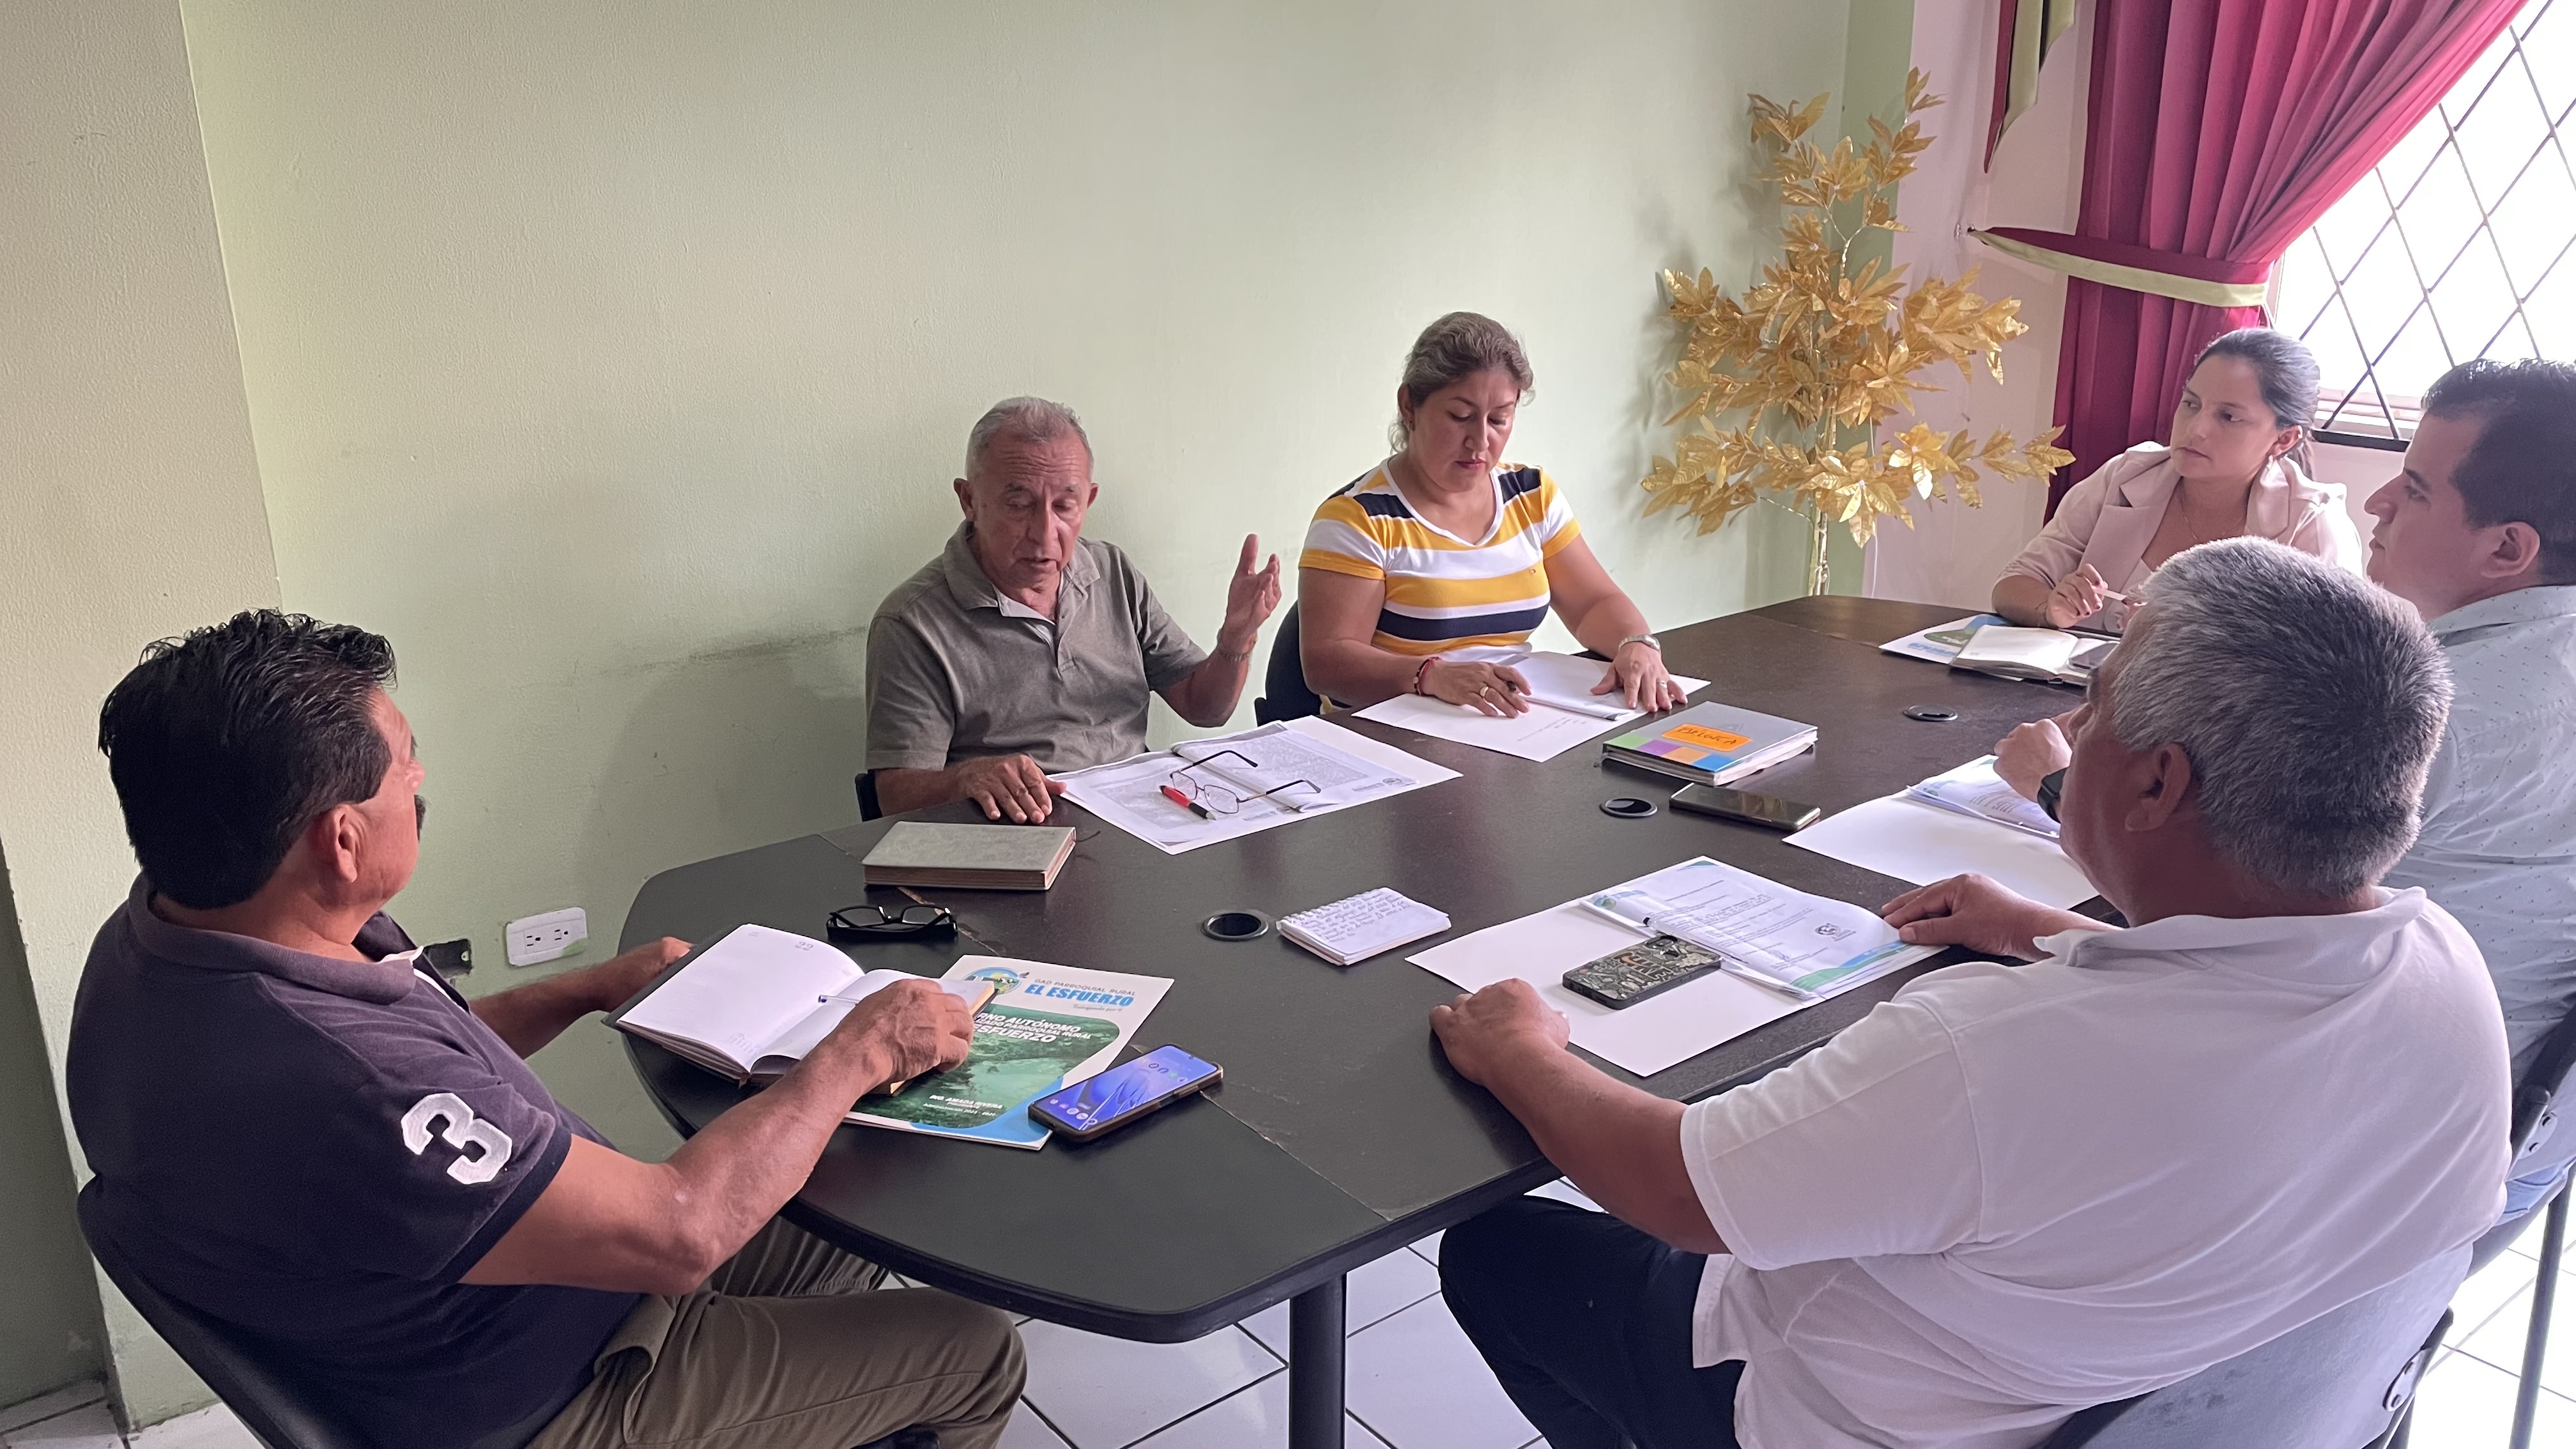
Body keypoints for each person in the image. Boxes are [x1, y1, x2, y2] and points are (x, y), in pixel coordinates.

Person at [1430, 539, 2508, 1449]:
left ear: (2156, 781)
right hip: (2214, 1398)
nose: (2074, 727)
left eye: (2094, 703)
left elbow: (1680, 1192)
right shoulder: (2447, 973)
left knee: (1498, 1251)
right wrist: (2046, 927)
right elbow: (2236, 999)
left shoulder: (1995, 1055)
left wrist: (1520, 1046)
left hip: (1838, 1416)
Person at [68, 612, 1025, 1449]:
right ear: (341, 841)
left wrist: (584, 988)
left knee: (855, 1173)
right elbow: (680, 1232)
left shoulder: (174, 929)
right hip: (558, 1392)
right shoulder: (342, 1080)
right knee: (976, 1351)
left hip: (497, 1293)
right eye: (404, 765)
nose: (420, 777)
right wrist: (860, 1046)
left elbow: (426, 1071)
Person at [1997, 358, 2576, 1222]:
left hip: (2376, 1163)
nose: (2377, 502)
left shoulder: (2429, 715)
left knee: (1979, 1087)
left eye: (2415, 490)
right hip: (2525, 1128)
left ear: (2507, 549)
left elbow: (2209, 928)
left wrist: (2054, 790)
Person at [866, 396, 1282, 824]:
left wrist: (1236, 639)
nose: (1045, 533)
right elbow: (894, 796)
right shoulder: (912, 622)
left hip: (1140, 818)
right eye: (1019, 505)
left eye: (1065, 506)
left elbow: (1205, 708)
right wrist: (965, 778)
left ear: (1089, 500)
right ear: (969, 500)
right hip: (1018, 829)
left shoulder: (1111, 571)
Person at [1299, 312, 1685, 717]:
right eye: (1460, 417)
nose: (1480, 441)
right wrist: (1429, 676)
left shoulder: (1531, 495)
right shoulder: (1356, 518)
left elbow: (1593, 603)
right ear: (1409, 405)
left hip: (1511, 722)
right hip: (1393, 732)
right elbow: (1328, 663)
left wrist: (1636, 643)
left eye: (1499, 419)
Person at [1992, 328, 2361, 631]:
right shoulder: (2127, 475)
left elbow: (2335, 663)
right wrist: (2050, 608)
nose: (2195, 429)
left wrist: (2187, 644)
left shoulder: (2310, 524)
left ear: (2284, 439)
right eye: (2191, 404)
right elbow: (2014, 583)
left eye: (2228, 417)